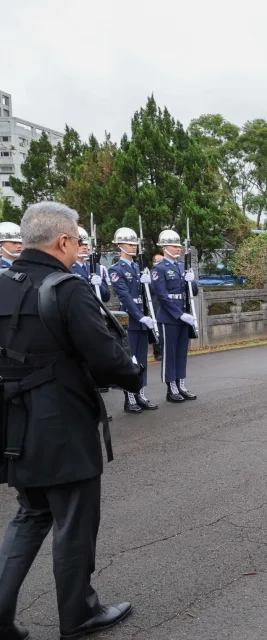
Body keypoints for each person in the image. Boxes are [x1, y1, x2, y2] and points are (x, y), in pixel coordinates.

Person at [0, 201, 143, 640]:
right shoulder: (67, 288)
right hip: (61, 424)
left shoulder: (2, 284)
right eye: (79, 241)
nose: (81, 249)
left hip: (12, 425)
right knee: (74, 523)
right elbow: (107, 361)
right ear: (62, 240)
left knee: (31, 515)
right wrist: (133, 372)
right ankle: (78, 614)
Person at [108, 227, 159, 414]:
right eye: (130, 244)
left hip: (142, 318)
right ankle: (129, 397)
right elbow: (125, 297)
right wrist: (141, 317)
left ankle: (141, 394)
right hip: (130, 318)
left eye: (135, 244)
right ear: (120, 245)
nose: (134, 247)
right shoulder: (115, 269)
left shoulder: (138, 268)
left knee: (143, 358)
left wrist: (149, 283)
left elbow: (148, 295)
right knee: (130, 359)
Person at [150, 229, 199, 403]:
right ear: (164, 247)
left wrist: (191, 280)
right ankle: (171, 388)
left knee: (181, 353)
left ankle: (181, 384)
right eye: (174, 246)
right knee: (169, 353)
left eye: (179, 246)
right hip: (169, 316)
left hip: (183, 313)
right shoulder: (159, 268)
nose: (178, 249)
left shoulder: (181, 266)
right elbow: (162, 296)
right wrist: (179, 315)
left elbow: (193, 291)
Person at [71, 228, 111, 304]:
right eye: (81, 245)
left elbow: (106, 297)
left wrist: (100, 285)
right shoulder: (68, 268)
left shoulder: (96, 268)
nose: (85, 247)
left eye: (86, 244)